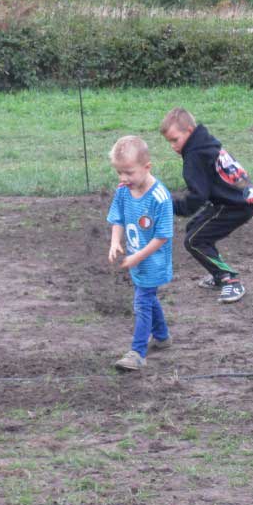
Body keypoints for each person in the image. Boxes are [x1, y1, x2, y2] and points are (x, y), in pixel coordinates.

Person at [160, 108, 253, 304]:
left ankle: (229, 278)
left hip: (234, 205)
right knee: (194, 231)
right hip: (238, 198)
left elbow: (197, 198)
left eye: (175, 140)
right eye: (169, 142)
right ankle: (218, 273)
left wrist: (170, 206)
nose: (173, 146)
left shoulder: (194, 155)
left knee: (194, 241)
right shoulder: (206, 143)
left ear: (189, 131)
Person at [106, 135, 174, 371]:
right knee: (148, 297)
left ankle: (137, 352)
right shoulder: (124, 190)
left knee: (142, 302)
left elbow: (163, 236)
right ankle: (163, 337)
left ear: (147, 167)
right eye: (119, 173)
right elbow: (117, 218)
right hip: (137, 262)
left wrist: (137, 257)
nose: (124, 178)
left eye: (129, 172)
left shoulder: (160, 197)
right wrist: (115, 242)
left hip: (153, 262)